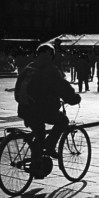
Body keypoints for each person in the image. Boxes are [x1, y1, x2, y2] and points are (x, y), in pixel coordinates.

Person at [15, 43, 81, 171]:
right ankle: (50, 147)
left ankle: (37, 165)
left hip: (25, 109)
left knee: (39, 133)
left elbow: (18, 89)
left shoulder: (28, 68)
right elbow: (63, 88)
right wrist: (74, 99)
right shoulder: (50, 69)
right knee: (63, 121)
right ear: (51, 55)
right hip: (41, 109)